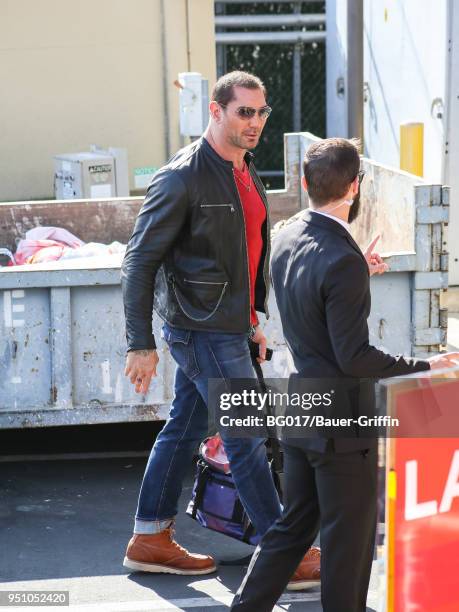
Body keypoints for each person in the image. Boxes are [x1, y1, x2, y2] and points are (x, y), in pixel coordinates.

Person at [230, 137, 459, 611]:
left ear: (303, 182)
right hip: (342, 420)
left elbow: (312, 295)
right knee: (347, 546)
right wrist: (425, 365)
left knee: (292, 528)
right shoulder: (342, 259)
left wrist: (359, 274)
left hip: (301, 408)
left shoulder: (290, 235)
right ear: (355, 187)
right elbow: (355, 358)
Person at [120, 70, 320, 586]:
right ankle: (284, 551)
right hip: (198, 327)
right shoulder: (181, 176)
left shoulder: (244, 168)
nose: (255, 123)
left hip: (227, 326)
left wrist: (251, 318)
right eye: (243, 112)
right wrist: (139, 342)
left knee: (186, 425)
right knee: (247, 433)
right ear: (216, 111)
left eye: (261, 113)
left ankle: (150, 538)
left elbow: (246, 254)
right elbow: (138, 262)